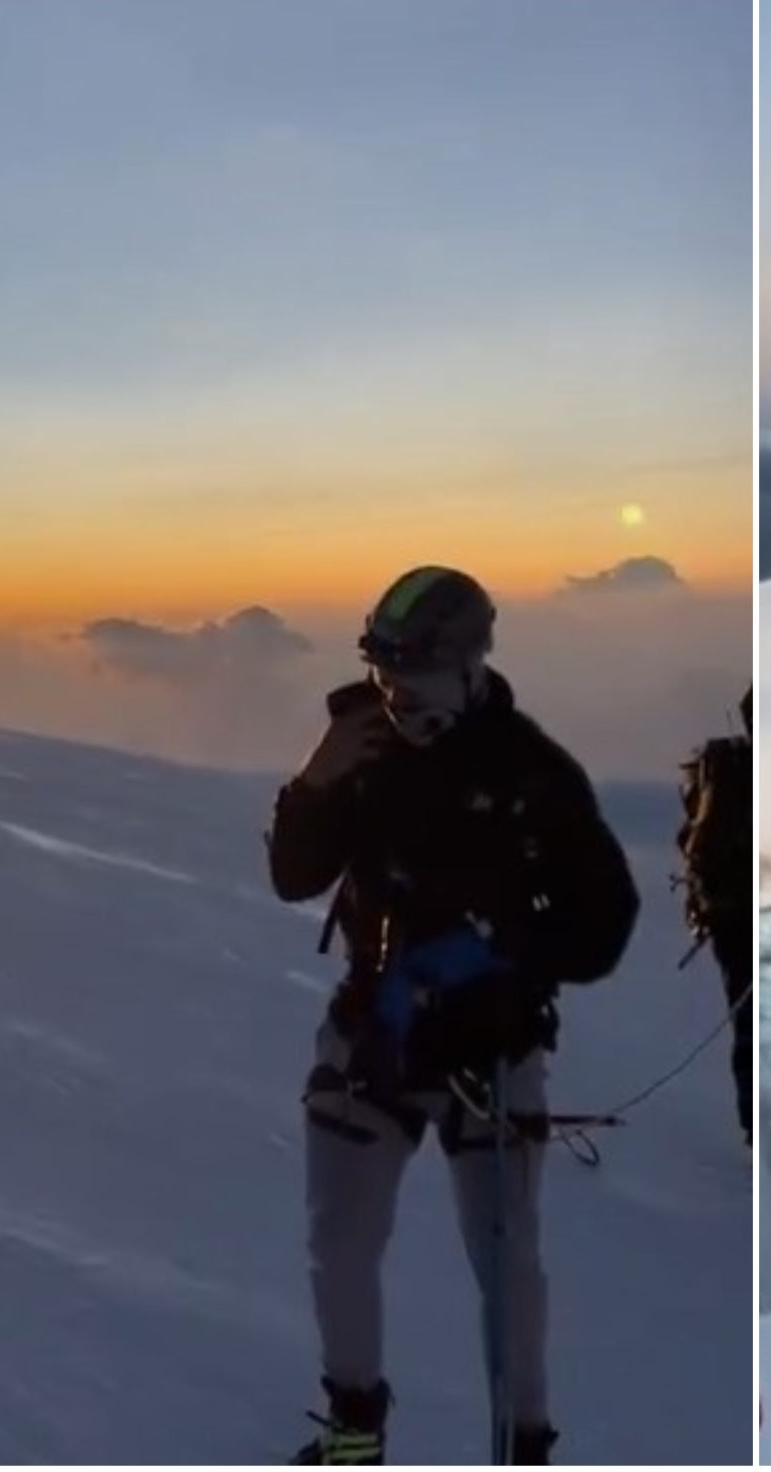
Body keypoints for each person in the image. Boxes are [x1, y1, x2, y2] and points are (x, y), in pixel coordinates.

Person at [267, 565, 639, 1466]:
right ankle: (356, 1430)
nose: (397, 694)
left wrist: (501, 953)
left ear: (471, 662)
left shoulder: (531, 772)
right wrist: (316, 782)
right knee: (339, 1245)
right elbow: (294, 876)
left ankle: (523, 1446)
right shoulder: (359, 752)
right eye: (387, 674)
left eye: (415, 674)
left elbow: (604, 920)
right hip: (375, 1037)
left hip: (491, 1046)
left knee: (507, 1268)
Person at [677, 688, 753, 1146]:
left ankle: (757, 1134)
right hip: (739, 917)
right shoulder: (737, 777)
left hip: (730, 918)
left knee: (749, 1025)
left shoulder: (727, 773)